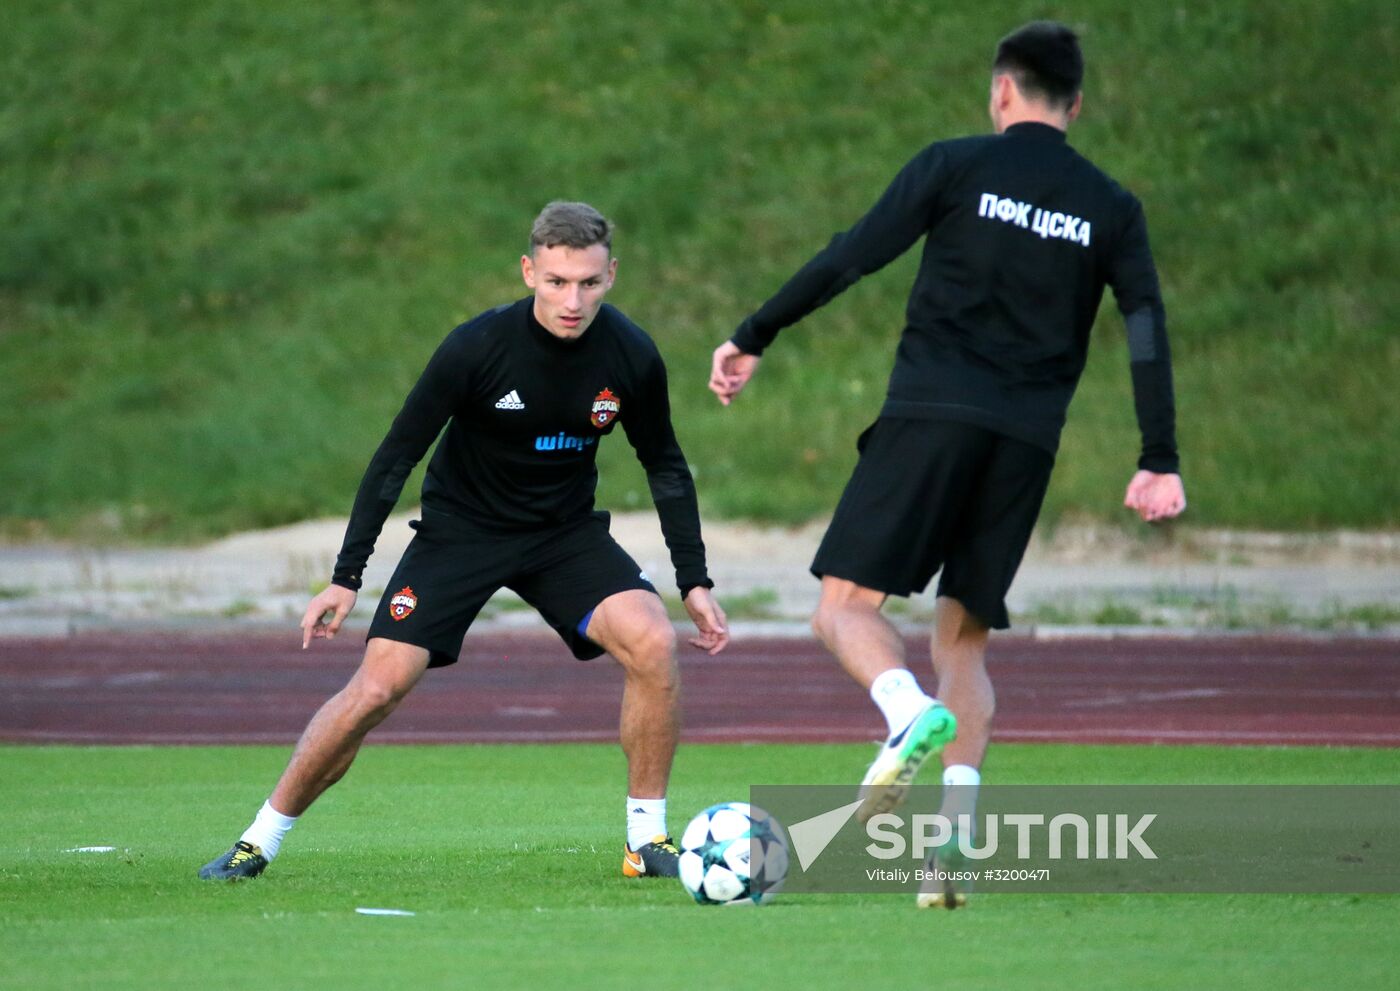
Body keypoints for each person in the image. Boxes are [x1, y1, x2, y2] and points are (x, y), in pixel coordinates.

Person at [709, 21, 1185, 908]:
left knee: (843, 606)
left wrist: (754, 332)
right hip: (1024, 442)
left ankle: (901, 713)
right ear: (1073, 105)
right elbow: (1146, 326)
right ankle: (951, 848)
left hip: (931, 413)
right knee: (962, 641)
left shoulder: (957, 165)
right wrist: (1158, 456)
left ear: (1002, 90)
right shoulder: (1111, 206)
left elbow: (854, 253)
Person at [201, 201, 728, 882]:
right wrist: (345, 575)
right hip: (461, 534)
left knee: (653, 639)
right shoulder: (477, 347)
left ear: (612, 274)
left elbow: (664, 463)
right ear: (529, 270)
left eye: (590, 283)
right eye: (558, 281)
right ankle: (257, 840)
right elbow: (396, 456)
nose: (574, 300)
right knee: (378, 687)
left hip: (562, 536)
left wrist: (694, 578)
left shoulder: (630, 354)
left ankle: (646, 841)